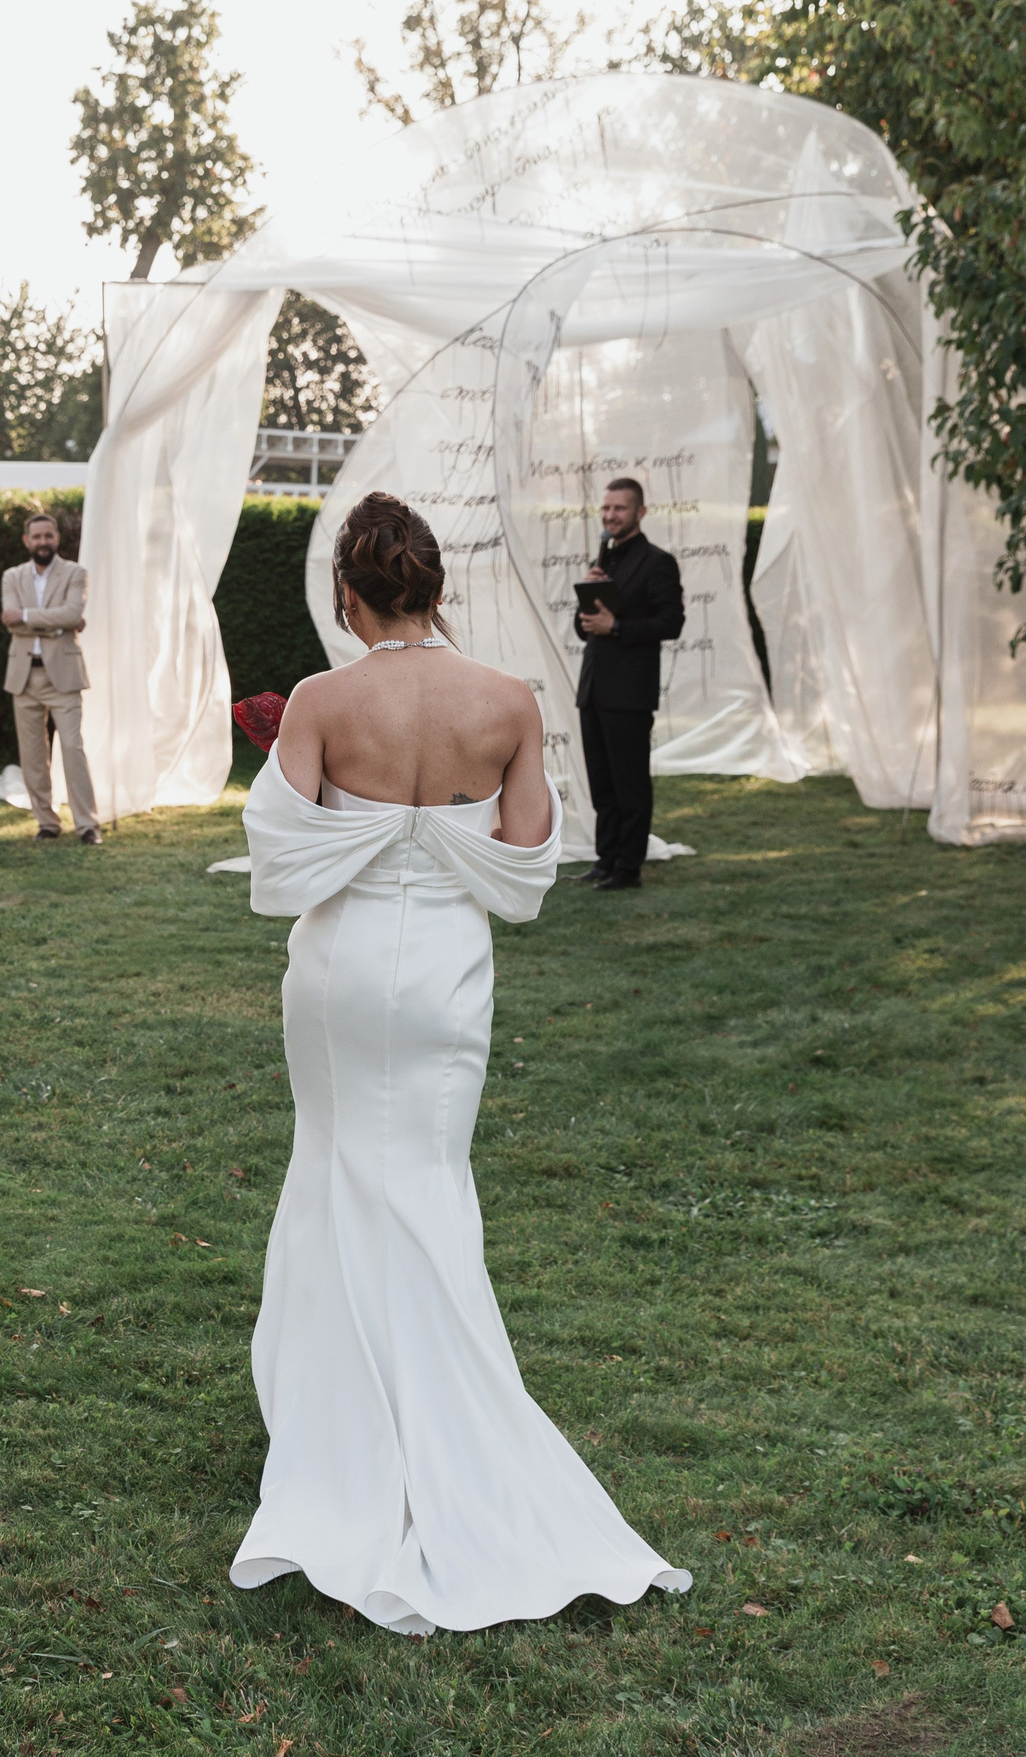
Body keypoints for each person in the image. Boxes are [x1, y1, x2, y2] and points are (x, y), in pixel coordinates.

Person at [229, 491, 687, 1636]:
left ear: (349, 593)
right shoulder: (508, 700)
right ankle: (433, 1407)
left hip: (338, 975)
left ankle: (341, 1422)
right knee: (426, 1179)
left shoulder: (326, 701)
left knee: (335, 1164)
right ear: (438, 586)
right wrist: (439, 834)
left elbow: (278, 856)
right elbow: (527, 867)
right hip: (443, 975)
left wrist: (362, 824)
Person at [573, 477, 685, 890]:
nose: (610, 515)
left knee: (629, 784)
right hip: (594, 689)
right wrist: (589, 593)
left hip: (630, 692)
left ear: (640, 512)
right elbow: (585, 629)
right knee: (602, 783)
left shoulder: (658, 562)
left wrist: (616, 626)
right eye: (605, 508)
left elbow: (671, 622)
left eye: (619, 508)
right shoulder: (604, 559)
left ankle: (628, 868)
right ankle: (605, 860)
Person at [1, 513, 101, 844]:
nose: (43, 541)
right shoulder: (12, 577)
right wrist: (59, 624)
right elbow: (9, 621)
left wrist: (29, 616)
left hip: (65, 677)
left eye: (48, 535)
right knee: (32, 755)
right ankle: (47, 823)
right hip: (24, 677)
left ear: (56, 538)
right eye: (37, 536)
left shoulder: (75, 573)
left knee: (72, 748)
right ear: (26, 541)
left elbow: (72, 614)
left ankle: (87, 825)